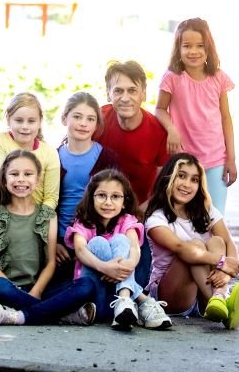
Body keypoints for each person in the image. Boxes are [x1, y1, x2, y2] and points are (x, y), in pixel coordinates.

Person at [0, 150, 96, 326]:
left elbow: (50, 263)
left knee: (87, 285)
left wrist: (36, 291)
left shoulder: (48, 216)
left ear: (38, 179)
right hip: (6, 289)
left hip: (39, 288)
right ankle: (61, 315)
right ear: (4, 178)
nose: (21, 179)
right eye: (14, 174)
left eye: (28, 174)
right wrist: (12, 288)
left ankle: (22, 315)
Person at [144, 153, 239, 330]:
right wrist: (222, 263)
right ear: (168, 177)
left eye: (194, 180)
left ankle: (218, 299)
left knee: (217, 241)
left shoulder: (206, 210)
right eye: (181, 176)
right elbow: (181, 249)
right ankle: (219, 301)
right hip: (171, 295)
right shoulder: (156, 218)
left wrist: (226, 274)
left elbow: (229, 243)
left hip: (201, 291)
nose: (187, 184)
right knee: (195, 246)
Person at [64, 169, 172, 330]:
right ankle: (143, 301)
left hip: (119, 303)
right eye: (101, 195)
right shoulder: (84, 223)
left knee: (122, 240)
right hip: (92, 302)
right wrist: (105, 267)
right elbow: (80, 250)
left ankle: (124, 300)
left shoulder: (127, 221)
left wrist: (128, 265)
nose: (108, 202)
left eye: (115, 196)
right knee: (98, 243)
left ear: (124, 202)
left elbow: (135, 248)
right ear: (91, 198)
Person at [94, 60, 169, 288]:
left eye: (132, 90)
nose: (125, 97)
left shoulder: (157, 131)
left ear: (144, 94)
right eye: (118, 91)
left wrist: (140, 213)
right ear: (108, 93)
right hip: (99, 209)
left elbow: (163, 185)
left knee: (140, 274)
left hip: (139, 214)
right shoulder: (98, 119)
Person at [155, 18, 236, 215]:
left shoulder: (218, 77)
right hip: (184, 160)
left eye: (200, 46)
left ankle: (218, 247)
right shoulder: (172, 77)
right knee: (184, 215)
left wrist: (231, 159)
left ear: (208, 48)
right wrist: (172, 129)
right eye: (187, 46)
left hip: (216, 159)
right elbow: (159, 109)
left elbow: (226, 118)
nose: (194, 51)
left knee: (215, 216)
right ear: (178, 49)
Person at [55, 92, 119, 284]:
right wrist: (53, 244)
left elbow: (117, 202)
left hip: (97, 238)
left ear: (96, 125)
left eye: (90, 119)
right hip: (61, 244)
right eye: (77, 117)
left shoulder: (108, 158)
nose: (83, 123)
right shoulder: (52, 156)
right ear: (64, 119)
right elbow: (44, 205)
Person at [0, 92, 60, 210]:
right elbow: (2, 181)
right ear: (8, 119)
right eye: (19, 120)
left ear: (40, 122)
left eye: (31, 121)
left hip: (38, 214)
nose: (25, 126)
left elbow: (51, 198)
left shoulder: (49, 153)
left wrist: (37, 221)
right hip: (7, 210)